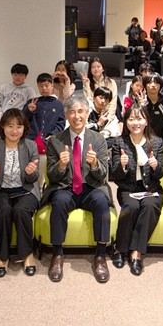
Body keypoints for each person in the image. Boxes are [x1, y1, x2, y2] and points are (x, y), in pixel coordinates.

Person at [43, 96, 112, 283]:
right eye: (72, 112)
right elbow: (52, 177)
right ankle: (57, 254)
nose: (76, 116)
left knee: (101, 202)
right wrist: (60, 165)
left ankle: (100, 255)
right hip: (66, 187)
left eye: (80, 111)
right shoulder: (55, 140)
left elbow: (103, 175)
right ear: (66, 115)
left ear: (87, 113)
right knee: (59, 202)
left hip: (91, 186)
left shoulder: (98, 139)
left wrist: (95, 163)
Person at [109, 104, 163, 276]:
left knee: (149, 206)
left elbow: (160, 174)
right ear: (126, 122)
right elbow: (114, 175)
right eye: (131, 119)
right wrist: (122, 165)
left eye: (139, 118)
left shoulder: (156, 142)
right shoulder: (119, 142)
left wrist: (155, 166)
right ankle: (120, 248)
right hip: (128, 188)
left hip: (151, 188)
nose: (135, 123)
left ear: (146, 121)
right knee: (132, 206)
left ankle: (135, 253)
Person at [0, 109, 41, 277]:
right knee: (3, 211)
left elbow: (34, 178)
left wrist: (31, 172)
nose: (14, 130)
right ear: (2, 127)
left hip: (26, 190)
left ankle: (27, 254)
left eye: (19, 126)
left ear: (24, 128)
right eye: (10, 126)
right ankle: (2, 257)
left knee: (21, 210)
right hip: (0, 190)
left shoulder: (30, 146)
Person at [23, 73, 65, 154]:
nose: (44, 88)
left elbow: (61, 123)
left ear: (52, 86)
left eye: (46, 85)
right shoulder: (32, 102)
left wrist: (53, 134)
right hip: (31, 140)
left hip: (49, 141)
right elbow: (22, 119)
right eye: (41, 86)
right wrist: (29, 110)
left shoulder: (58, 104)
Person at [144, 73, 163, 144]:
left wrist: (161, 142)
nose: (153, 85)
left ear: (160, 86)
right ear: (145, 85)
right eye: (150, 82)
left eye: (156, 83)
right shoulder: (139, 103)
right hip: (141, 141)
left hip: (160, 143)